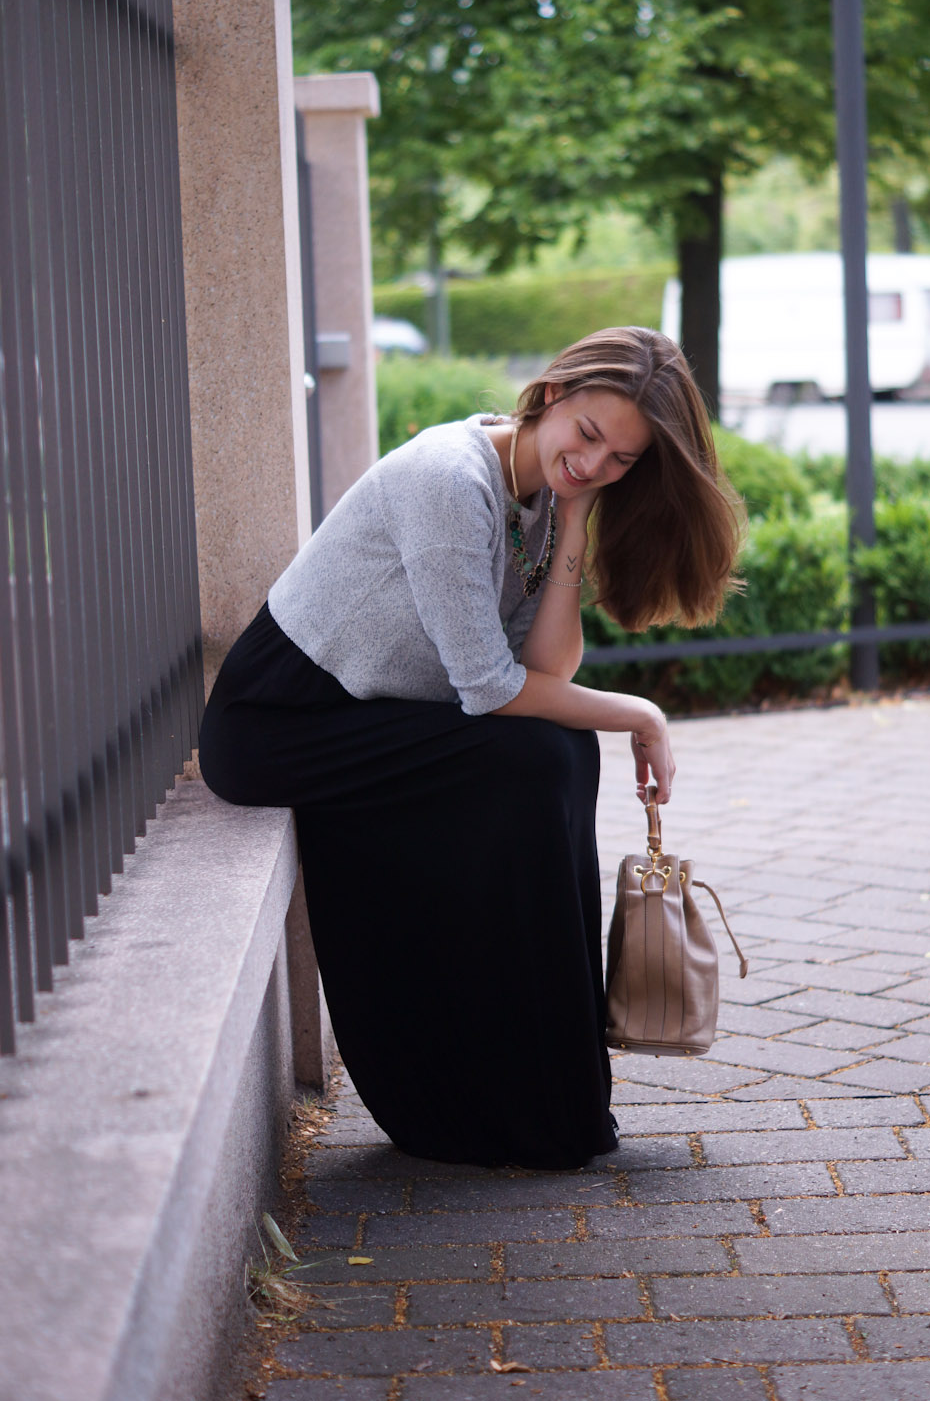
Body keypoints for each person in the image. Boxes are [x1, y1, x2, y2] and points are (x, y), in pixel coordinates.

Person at [198, 326, 744, 1169]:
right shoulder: (450, 479)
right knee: (535, 755)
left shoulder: (539, 500)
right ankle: (467, 1088)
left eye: (621, 461)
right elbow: (491, 691)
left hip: (373, 715)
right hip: (282, 721)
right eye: (588, 435)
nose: (594, 465)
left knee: (560, 754)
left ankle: (549, 1084)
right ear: (554, 392)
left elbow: (544, 668)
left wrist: (572, 522)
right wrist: (640, 712)